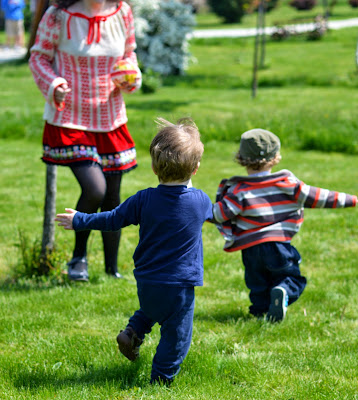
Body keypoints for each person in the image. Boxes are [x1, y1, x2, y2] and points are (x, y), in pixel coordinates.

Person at [55, 118, 214, 384]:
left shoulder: (143, 199)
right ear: (196, 168)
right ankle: (161, 378)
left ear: (153, 167)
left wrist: (80, 219)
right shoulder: (200, 201)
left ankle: (132, 332)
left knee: (152, 308)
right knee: (177, 335)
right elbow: (216, 216)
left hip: (147, 281)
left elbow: (112, 219)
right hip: (179, 285)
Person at [29, 0, 142, 281]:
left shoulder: (122, 12)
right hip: (70, 119)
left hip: (111, 118)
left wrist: (130, 76)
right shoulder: (58, 16)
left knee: (113, 197)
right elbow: (38, 58)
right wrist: (54, 84)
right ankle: (78, 258)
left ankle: (111, 268)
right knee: (95, 190)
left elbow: (129, 56)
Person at [212, 129, 357, 322]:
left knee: (258, 285)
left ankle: (259, 314)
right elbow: (321, 197)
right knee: (292, 279)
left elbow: (219, 214)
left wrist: (194, 210)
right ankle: (284, 291)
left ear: (240, 158)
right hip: (279, 246)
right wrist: (352, 200)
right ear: (276, 158)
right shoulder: (288, 184)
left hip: (250, 250)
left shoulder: (239, 190)